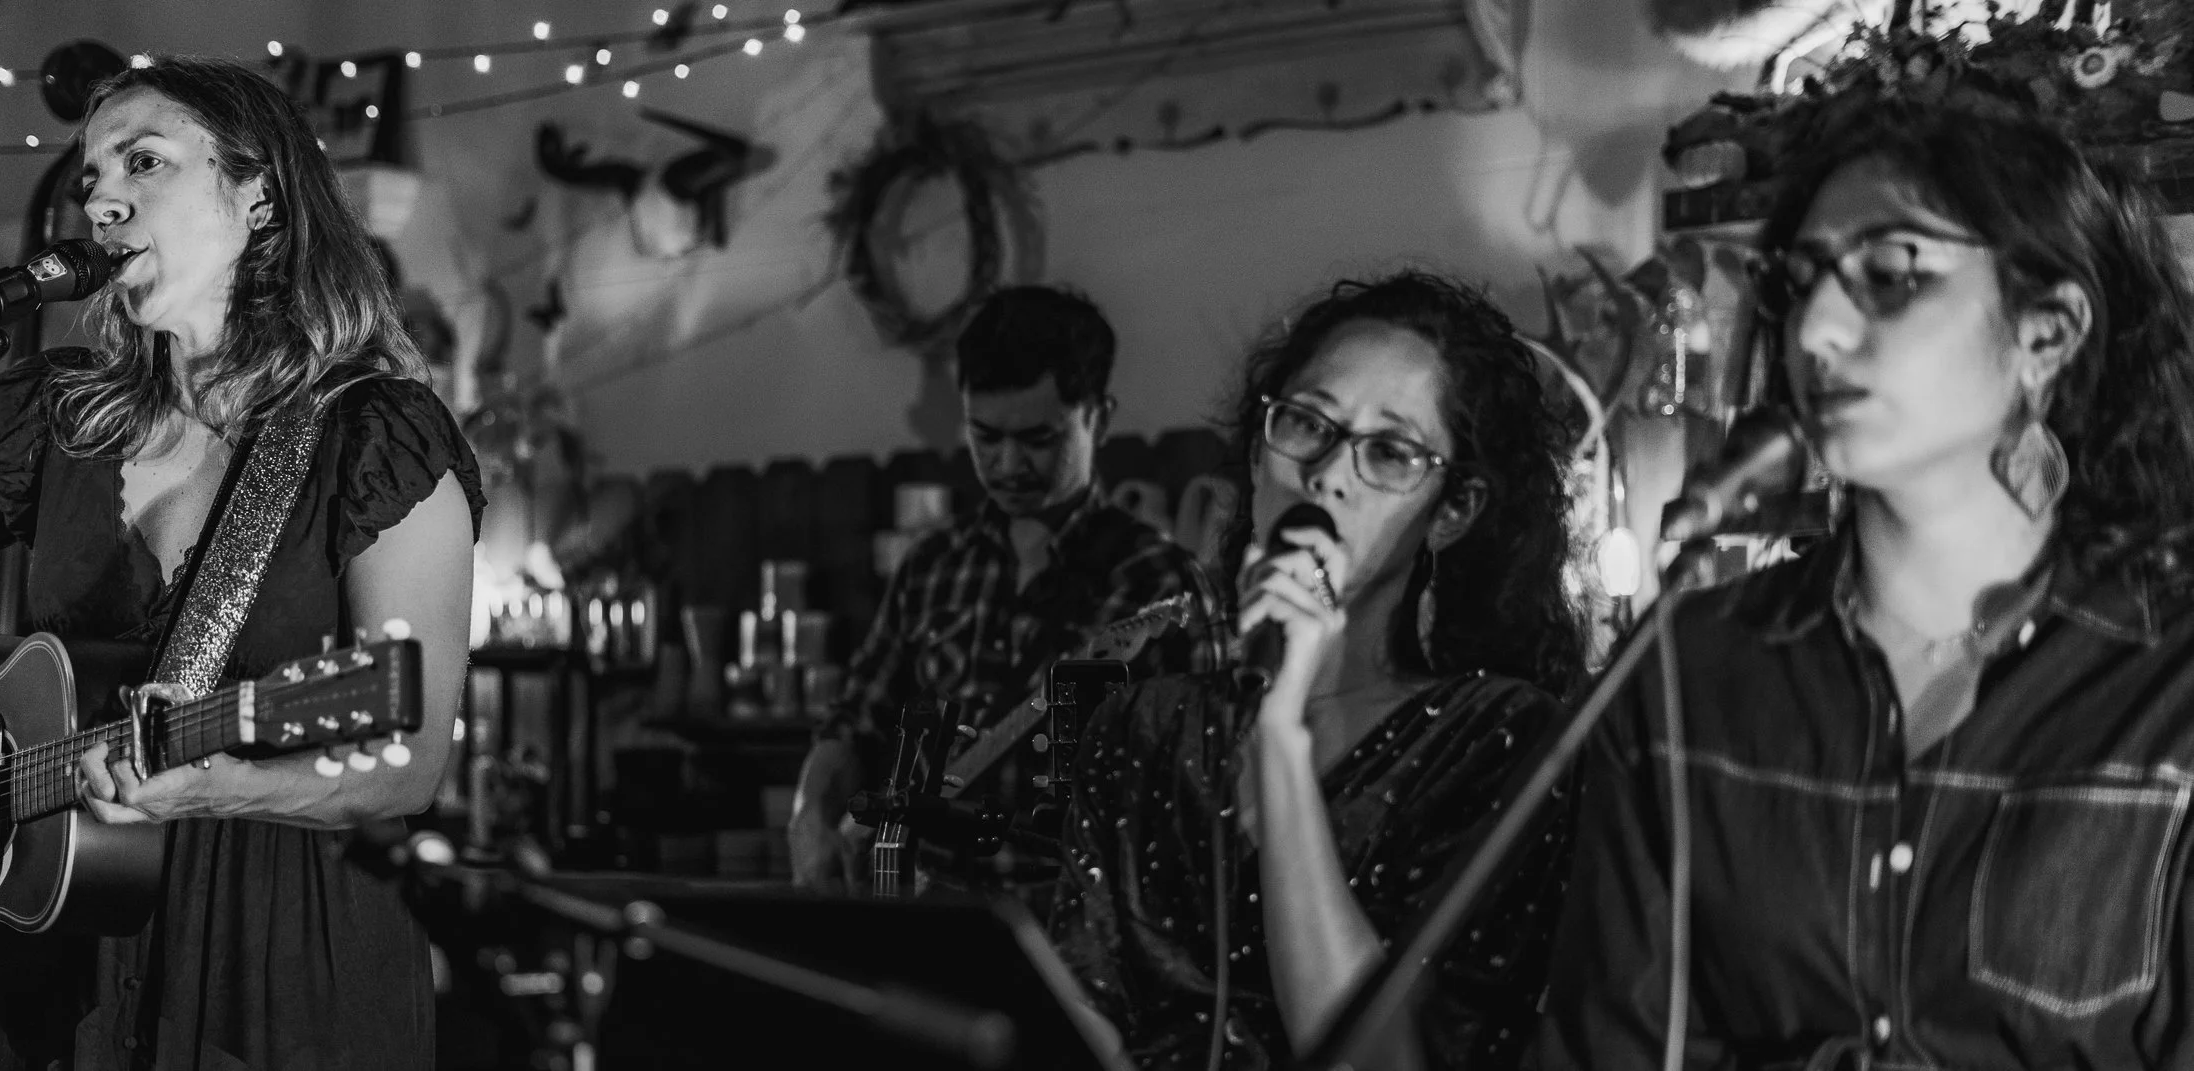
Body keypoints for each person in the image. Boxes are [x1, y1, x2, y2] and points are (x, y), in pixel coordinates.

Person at [0, 56, 482, 1071]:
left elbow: (410, 761)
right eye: (91, 179)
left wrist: (217, 786)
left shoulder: (375, 439)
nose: (102, 199)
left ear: (257, 195)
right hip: (62, 966)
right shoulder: (55, 418)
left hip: (282, 965)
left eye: (145, 161)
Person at [1533, 95, 2194, 1068]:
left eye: (1890, 274)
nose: (1818, 330)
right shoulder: (1691, 666)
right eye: (1800, 282)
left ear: (2045, 335)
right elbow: (1604, 1047)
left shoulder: (2168, 686)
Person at [1053, 271, 1591, 1070]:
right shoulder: (1145, 723)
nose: (1329, 472)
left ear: (1453, 510)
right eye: (1307, 423)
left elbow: (1380, 1060)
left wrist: (1279, 735)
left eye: (1390, 451)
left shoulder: (1501, 738)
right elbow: (1076, 1009)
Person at [788, 285, 1227, 898]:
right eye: (985, 436)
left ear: (1098, 418)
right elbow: (858, 722)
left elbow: (1199, 801)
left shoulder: (1161, 584)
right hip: (925, 922)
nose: (1007, 465)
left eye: (1038, 440)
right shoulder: (931, 566)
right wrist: (811, 812)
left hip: (1078, 939)